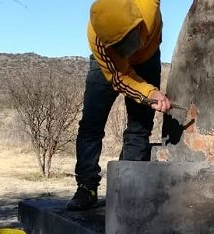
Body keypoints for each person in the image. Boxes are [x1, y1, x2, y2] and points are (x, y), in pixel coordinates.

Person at [67, 0, 172, 211]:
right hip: (111, 67)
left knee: (139, 128)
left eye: (127, 40)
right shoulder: (98, 39)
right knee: (91, 126)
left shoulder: (148, 6)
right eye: (119, 44)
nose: (126, 49)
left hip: (147, 60)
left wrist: (151, 92)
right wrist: (150, 93)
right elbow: (120, 78)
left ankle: (127, 188)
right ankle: (86, 188)